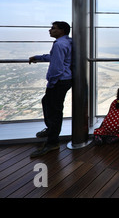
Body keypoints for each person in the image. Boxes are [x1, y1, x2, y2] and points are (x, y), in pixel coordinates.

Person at [29, 21, 72, 157]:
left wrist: (51, 82)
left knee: (55, 111)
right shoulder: (67, 42)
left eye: (53, 28)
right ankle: (51, 130)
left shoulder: (59, 44)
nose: (50, 30)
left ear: (62, 31)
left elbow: (57, 67)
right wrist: (38, 58)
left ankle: (52, 142)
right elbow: (55, 58)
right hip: (65, 80)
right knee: (47, 102)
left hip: (59, 81)